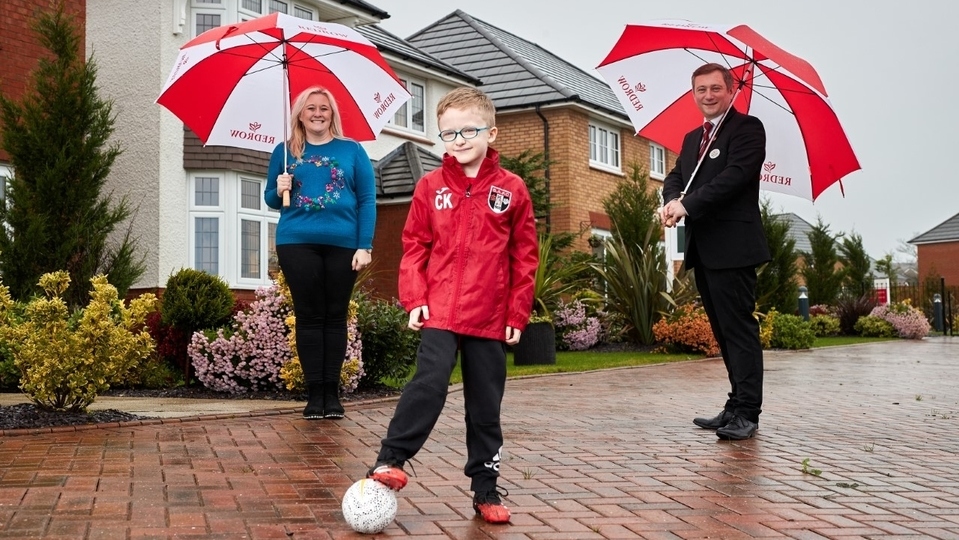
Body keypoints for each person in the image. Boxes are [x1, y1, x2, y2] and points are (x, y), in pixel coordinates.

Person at [365, 87, 539, 524]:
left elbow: (524, 255)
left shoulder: (512, 189)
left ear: (491, 132)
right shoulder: (430, 186)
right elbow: (414, 246)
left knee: (485, 407)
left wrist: (517, 313)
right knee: (429, 382)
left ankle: (486, 489)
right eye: (448, 133)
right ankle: (390, 460)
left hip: (490, 316)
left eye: (468, 130)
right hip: (439, 309)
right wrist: (415, 298)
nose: (458, 140)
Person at [659, 63, 770, 441]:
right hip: (703, 249)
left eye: (715, 89)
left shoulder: (748, 130)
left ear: (730, 90)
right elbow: (677, 175)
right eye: (700, 90)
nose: (708, 96)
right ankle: (734, 403)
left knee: (739, 331)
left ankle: (748, 412)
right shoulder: (693, 138)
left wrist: (687, 206)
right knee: (722, 333)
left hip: (734, 247)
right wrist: (671, 198)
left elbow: (734, 177)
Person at [264, 86, 375, 420]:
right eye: (310, 108)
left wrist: (364, 245)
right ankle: (315, 396)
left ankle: (333, 393)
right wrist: (278, 188)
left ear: (332, 114)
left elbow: (367, 199)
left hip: (343, 243)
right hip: (296, 241)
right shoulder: (284, 153)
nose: (317, 113)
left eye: (323, 108)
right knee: (310, 316)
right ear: (300, 114)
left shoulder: (352, 150)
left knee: (335, 316)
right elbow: (270, 200)